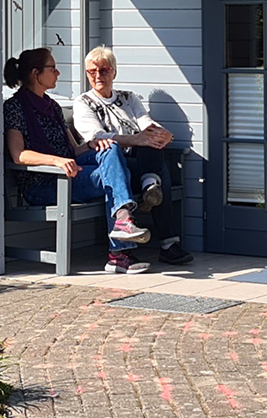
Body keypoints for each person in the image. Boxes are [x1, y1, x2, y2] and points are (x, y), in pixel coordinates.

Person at [3, 47, 153, 274]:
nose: (57, 73)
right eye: (52, 68)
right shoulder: (15, 107)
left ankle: (122, 225)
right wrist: (56, 161)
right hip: (43, 183)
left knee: (109, 146)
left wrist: (91, 145)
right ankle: (118, 254)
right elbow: (18, 154)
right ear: (36, 74)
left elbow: (73, 149)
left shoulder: (52, 106)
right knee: (117, 175)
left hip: (69, 172)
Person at [73, 46, 192, 266]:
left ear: (114, 72)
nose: (98, 76)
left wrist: (165, 135)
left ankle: (149, 184)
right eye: (92, 71)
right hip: (111, 163)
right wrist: (137, 139)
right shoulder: (83, 103)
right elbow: (99, 138)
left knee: (152, 143)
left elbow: (147, 125)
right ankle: (168, 243)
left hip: (138, 161)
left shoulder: (128, 98)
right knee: (159, 173)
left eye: (104, 70)